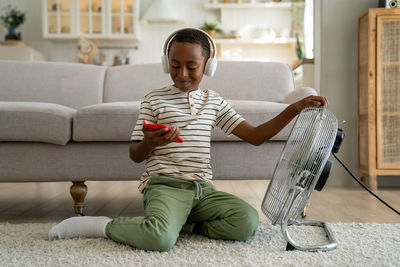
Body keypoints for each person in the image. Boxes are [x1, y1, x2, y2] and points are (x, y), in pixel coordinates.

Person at [49, 28, 328, 252]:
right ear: (166, 63)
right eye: (175, 65)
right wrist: (150, 143)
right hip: (164, 186)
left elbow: (255, 137)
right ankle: (101, 226)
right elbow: (135, 155)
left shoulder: (213, 101)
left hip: (201, 191)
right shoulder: (153, 99)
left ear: (207, 66)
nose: (182, 74)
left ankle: (184, 223)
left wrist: (294, 108)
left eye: (191, 67)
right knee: (159, 239)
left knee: (247, 222)